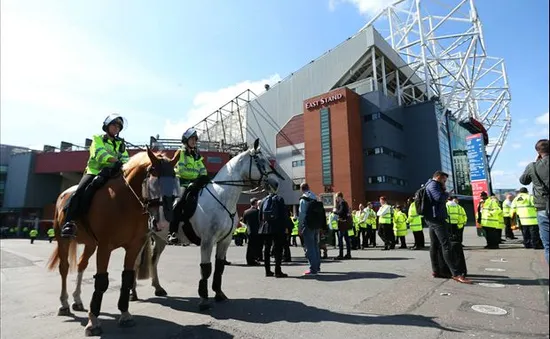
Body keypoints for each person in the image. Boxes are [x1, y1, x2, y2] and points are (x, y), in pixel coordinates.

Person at [61, 114, 129, 238]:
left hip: (113, 173)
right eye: (114, 125)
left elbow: (125, 158)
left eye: (118, 127)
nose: (116, 128)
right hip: (94, 171)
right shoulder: (98, 139)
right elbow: (99, 154)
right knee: (80, 191)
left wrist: (123, 163)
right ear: (107, 126)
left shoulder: (121, 143)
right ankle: (69, 222)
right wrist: (115, 160)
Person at [424, 171, 471, 284]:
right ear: (438, 177)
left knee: (435, 245)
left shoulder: (428, 185)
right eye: (444, 180)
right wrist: (446, 193)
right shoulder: (434, 185)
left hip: (432, 218)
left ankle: (436, 270)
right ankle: (456, 274)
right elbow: (439, 197)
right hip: (437, 219)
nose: (444, 182)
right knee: (446, 245)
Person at [168, 128, 208, 244]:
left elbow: (203, 171)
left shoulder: (197, 155)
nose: (194, 141)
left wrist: (199, 180)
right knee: (179, 203)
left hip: (195, 183)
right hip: (182, 182)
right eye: (191, 139)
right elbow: (178, 169)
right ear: (186, 140)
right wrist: (190, 180)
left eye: (195, 139)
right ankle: (172, 232)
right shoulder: (180, 152)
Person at [519, 139, 549, 264]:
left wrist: (537, 163)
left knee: (548, 246)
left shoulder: (532, 166)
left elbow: (523, 181)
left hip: (542, 208)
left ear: (538, 151)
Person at [258, 186, 291, 278]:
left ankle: (267, 271)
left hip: (266, 228)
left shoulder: (264, 200)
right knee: (278, 249)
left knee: (267, 249)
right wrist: (286, 227)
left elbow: (260, 215)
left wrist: (261, 226)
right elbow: (284, 214)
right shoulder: (279, 199)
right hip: (277, 228)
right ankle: (277, 270)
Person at [299, 182, 322, 275]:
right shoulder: (315, 197)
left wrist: (300, 227)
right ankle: (317, 266)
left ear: (301, 189)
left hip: (308, 225)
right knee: (316, 246)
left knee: (310, 247)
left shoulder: (303, 199)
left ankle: (313, 268)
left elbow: (302, 215)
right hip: (316, 225)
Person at [243, 198, 262, 266]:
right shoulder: (257, 212)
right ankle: (253, 260)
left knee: (250, 246)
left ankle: (249, 260)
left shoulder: (246, 211)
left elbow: (244, 222)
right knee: (255, 247)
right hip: (256, 231)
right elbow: (261, 221)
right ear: (256, 203)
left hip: (248, 231)